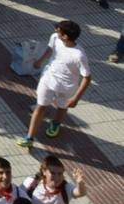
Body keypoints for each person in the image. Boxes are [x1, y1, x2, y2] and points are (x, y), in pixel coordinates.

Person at [17, 20, 91, 148]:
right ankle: (29, 137)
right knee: (40, 107)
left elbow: (87, 77)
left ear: (65, 36)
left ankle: (56, 123)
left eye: (59, 30)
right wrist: (40, 61)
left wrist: (75, 98)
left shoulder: (79, 55)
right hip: (48, 80)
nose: (56, 31)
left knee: (62, 107)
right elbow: (50, 50)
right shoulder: (55, 37)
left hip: (66, 88)